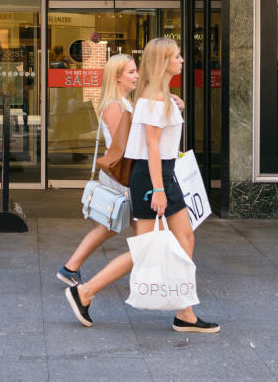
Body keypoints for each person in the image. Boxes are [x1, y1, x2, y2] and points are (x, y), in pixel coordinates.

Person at [64, 38, 219, 334]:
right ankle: (84, 292)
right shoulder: (153, 97)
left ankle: (185, 312)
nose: (182, 60)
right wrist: (159, 190)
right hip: (153, 176)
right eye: (177, 56)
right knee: (147, 249)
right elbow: (151, 146)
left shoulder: (161, 95)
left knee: (185, 238)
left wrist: (179, 106)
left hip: (162, 173)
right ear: (163, 62)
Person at [55, 53, 138, 288]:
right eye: (131, 72)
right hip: (121, 177)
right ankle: (153, 275)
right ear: (117, 76)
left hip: (123, 176)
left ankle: (70, 268)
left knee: (111, 227)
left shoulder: (124, 102)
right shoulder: (114, 105)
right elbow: (121, 146)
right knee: (136, 229)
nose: (136, 75)